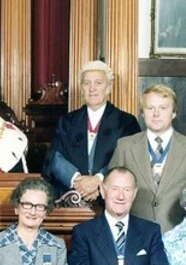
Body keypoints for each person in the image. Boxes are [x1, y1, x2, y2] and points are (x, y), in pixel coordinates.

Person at [110, 84, 186, 232]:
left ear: (174, 113)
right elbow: (111, 194)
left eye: (163, 108)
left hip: (179, 235)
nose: (156, 114)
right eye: (150, 108)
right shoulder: (124, 146)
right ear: (142, 113)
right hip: (134, 235)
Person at [43, 60, 140, 201]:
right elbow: (55, 158)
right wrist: (79, 182)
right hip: (71, 197)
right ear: (81, 88)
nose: (92, 88)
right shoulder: (67, 121)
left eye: (98, 83)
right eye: (86, 83)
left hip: (112, 199)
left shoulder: (126, 122)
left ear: (109, 88)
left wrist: (99, 180)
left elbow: (130, 161)